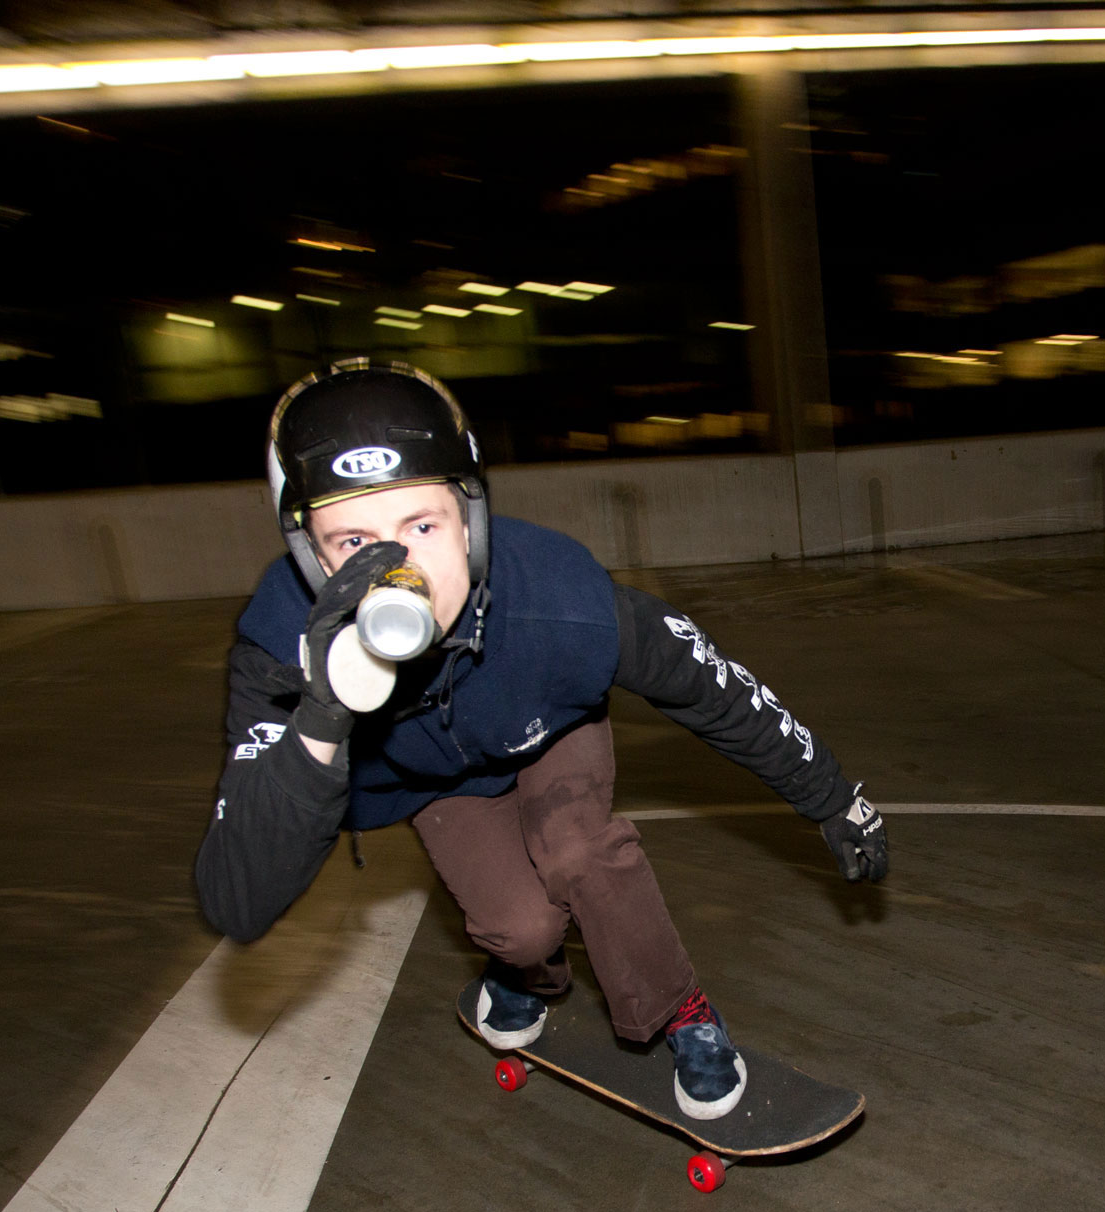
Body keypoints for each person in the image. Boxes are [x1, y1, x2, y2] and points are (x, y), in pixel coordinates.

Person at [193, 360, 889, 1118]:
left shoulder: (560, 600)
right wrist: (324, 711)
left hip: (550, 732)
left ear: (470, 518)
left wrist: (833, 797)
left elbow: (714, 686)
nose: (397, 572)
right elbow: (239, 899)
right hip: (437, 779)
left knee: (579, 850)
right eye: (352, 539)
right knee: (522, 929)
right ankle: (525, 974)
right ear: (310, 556)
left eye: (422, 527)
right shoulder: (279, 646)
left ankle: (678, 1008)